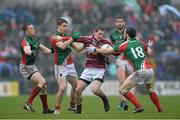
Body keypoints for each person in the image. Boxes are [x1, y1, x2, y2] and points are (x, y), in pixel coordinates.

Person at [88, 27, 163, 113]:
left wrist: (95, 49)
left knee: (122, 90)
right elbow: (149, 53)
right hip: (150, 70)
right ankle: (159, 109)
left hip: (141, 71)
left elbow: (109, 52)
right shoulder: (141, 42)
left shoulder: (125, 44)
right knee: (150, 90)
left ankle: (139, 107)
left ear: (127, 35)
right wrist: (148, 46)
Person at [73, 25, 111, 113]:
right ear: (94, 32)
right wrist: (72, 37)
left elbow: (111, 52)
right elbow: (74, 39)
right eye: (99, 34)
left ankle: (105, 99)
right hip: (88, 69)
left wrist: (97, 50)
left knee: (95, 90)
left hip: (99, 69)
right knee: (78, 90)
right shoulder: (87, 39)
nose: (100, 36)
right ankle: (78, 109)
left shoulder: (106, 42)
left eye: (102, 34)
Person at [20, 23, 54, 114]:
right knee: (42, 81)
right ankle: (28, 103)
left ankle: (45, 109)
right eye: (31, 29)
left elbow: (46, 50)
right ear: (26, 31)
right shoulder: (25, 41)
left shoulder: (35, 40)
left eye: (33, 28)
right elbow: (27, 51)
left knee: (44, 87)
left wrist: (55, 50)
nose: (33, 30)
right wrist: (31, 52)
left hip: (32, 66)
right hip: (26, 66)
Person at [50, 18, 79, 114]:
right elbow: (63, 46)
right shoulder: (54, 37)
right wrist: (72, 39)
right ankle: (57, 109)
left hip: (70, 65)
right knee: (62, 88)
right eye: (64, 26)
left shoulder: (67, 37)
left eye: (67, 26)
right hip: (60, 66)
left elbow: (78, 49)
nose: (66, 28)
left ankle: (72, 104)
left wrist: (88, 46)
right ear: (58, 26)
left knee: (76, 86)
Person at [109, 16, 133, 110]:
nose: (119, 23)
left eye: (121, 21)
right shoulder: (112, 34)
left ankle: (125, 99)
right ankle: (123, 102)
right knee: (122, 80)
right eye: (118, 21)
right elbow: (112, 47)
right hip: (120, 59)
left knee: (130, 81)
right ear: (115, 23)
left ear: (124, 23)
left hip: (130, 59)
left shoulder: (129, 32)